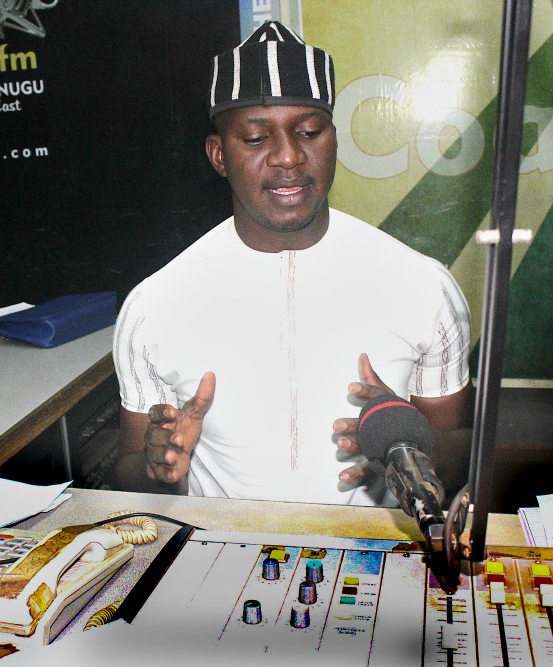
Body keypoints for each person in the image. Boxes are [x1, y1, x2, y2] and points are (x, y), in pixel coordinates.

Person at [112, 21, 474, 505]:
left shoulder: (423, 286)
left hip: (383, 556)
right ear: (219, 155)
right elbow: (129, 471)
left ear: (334, 140)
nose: (288, 157)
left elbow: (463, 447)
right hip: (223, 563)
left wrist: (412, 444)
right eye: (257, 139)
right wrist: (159, 470)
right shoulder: (155, 304)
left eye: (308, 132)